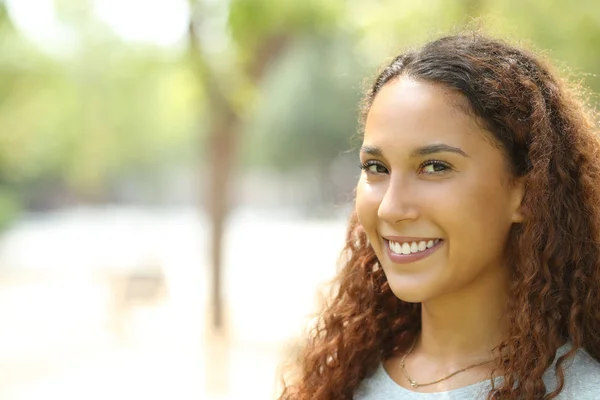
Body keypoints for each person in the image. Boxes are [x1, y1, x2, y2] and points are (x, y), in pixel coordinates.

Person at [277, 33, 600, 399]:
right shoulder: (337, 383)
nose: (391, 208)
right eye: (376, 167)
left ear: (526, 194)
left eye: (434, 166)